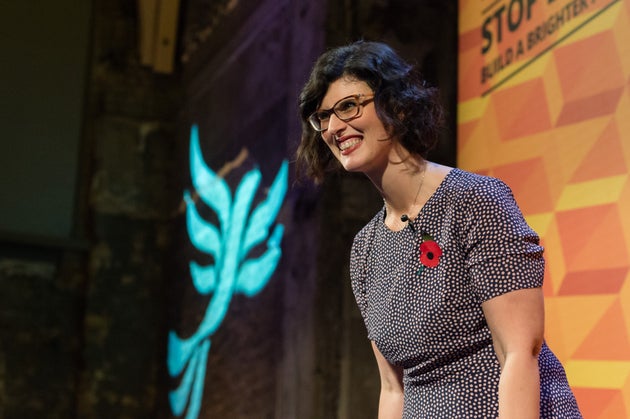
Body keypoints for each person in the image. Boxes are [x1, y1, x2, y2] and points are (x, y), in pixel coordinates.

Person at [295, 40, 582, 418]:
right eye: (323, 117)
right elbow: (392, 388)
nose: (333, 127)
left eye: (348, 106)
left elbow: (519, 353)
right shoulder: (366, 248)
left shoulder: (474, 200)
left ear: (394, 104)